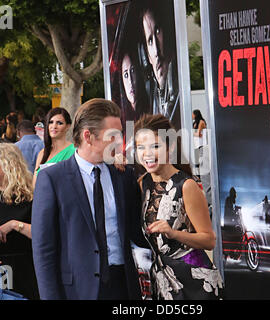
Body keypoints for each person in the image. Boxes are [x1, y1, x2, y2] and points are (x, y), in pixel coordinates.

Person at [32, 98, 146, 300]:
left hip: (123, 287)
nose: (120, 141)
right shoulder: (52, 179)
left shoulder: (124, 175)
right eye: (113, 135)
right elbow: (44, 250)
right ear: (88, 136)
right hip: (77, 291)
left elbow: (138, 231)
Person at [134, 114, 223, 300]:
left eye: (155, 146)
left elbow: (209, 240)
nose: (147, 153)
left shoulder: (186, 186)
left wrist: (174, 233)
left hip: (195, 284)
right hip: (163, 283)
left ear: (171, 146)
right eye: (141, 147)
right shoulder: (143, 184)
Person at [0, 143, 39, 300]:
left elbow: (43, 234)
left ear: (8, 165)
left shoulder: (31, 197)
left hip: (25, 270)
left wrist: (14, 225)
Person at [140, 0, 180, 129]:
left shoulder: (180, 87)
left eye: (158, 32)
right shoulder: (151, 94)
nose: (156, 50)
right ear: (147, 55)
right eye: (150, 40)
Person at [33, 107, 75, 186]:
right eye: (50, 122)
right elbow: (34, 184)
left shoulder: (74, 152)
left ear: (68, 126)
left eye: (59, 123)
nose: (54, 126)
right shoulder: (42, 153)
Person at [192, 109, 212, 208]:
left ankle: (200, 177)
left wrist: (191, 133)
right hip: (197, 145)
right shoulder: (195, 122)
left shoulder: (201, 122)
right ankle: (199, 177)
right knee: (198, 162)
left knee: (202, 163)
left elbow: (199, 134)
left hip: (202, 144)